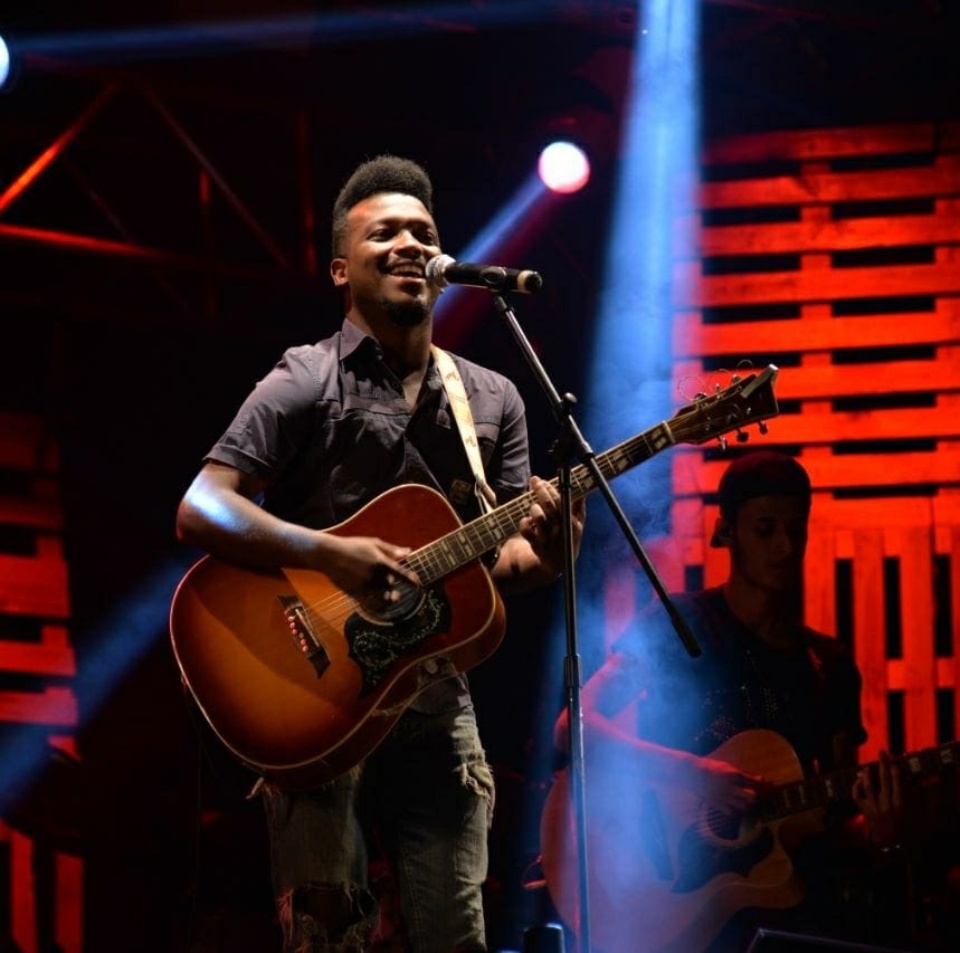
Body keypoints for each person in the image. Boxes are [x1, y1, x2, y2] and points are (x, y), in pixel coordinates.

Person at [175, 154, 584, 953]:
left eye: (423, 232)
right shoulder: (306, 376)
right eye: (385, 232)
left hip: (434, 695)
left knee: (456, 935)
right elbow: (202, 505)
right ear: (341, 269)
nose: (410, 244)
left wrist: (554, 546)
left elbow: (501, 567)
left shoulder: (492, 397)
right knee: (326, 937)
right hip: (315, 695)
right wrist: (331, 556)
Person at [547, 450, 905, 953]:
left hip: (787, 913)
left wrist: (880, 832)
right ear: (726, 532)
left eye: (795, 530)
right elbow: (573, 728)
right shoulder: (680, 625)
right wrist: (693, 774)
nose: (785, 546)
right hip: (669, 885)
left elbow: (836, 813)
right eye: (765, 530)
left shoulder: (830, 665)